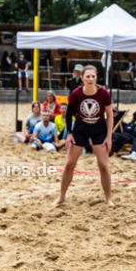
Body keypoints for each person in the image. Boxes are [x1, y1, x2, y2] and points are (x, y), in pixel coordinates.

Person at [54, 65, 114, 207]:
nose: (90, 79)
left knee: (103, 165)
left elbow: (110, 116)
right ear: (82, 78)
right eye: (87, 76)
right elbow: (68, 114)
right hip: (80, 129)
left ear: (96, 78)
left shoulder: (104, 93)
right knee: (69, 164)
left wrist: (109, 137)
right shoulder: (75, 93)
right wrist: (69, 133)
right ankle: (61, 197)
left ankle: (108, 199)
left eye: (93, 76)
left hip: (99, 130)